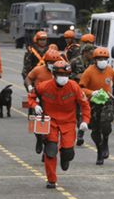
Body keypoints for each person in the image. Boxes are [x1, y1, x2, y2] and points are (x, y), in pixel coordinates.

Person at [28, 61, 91, 189]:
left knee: (68, 152)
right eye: (60, 74)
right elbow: (31, 96)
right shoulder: (44, 86)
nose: (64, 77)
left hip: (68, 122)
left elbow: (84, 105)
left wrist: (85, 121)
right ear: (54, 74)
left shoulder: (74, 87)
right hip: (50, 122)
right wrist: (35, 106)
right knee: (50, 150)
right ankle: (51, 180)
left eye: (66, 74)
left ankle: (65, 157)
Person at [79, 47, 114, 165]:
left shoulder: (110, 70)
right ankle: (99, 150)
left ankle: (106, 142)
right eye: (100, 58)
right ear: (95, 60)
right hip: (93, 102)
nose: (102, 61)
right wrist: (91, 92)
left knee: (106, 125)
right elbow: (81, 87)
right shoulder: (89, 71)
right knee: (95, 130)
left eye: (104, 59)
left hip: (107, 101)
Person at [70, 43, 96, 145]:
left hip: (88, 91)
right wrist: (76, 75)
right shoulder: (75, 62)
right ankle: (78, 132)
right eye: (91, 53)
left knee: (85, 111)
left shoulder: (93, 63)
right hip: (76, 90)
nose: (92, 55)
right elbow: (66, 73)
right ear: (85, 53)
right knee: (77, 113)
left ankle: (80, 134)